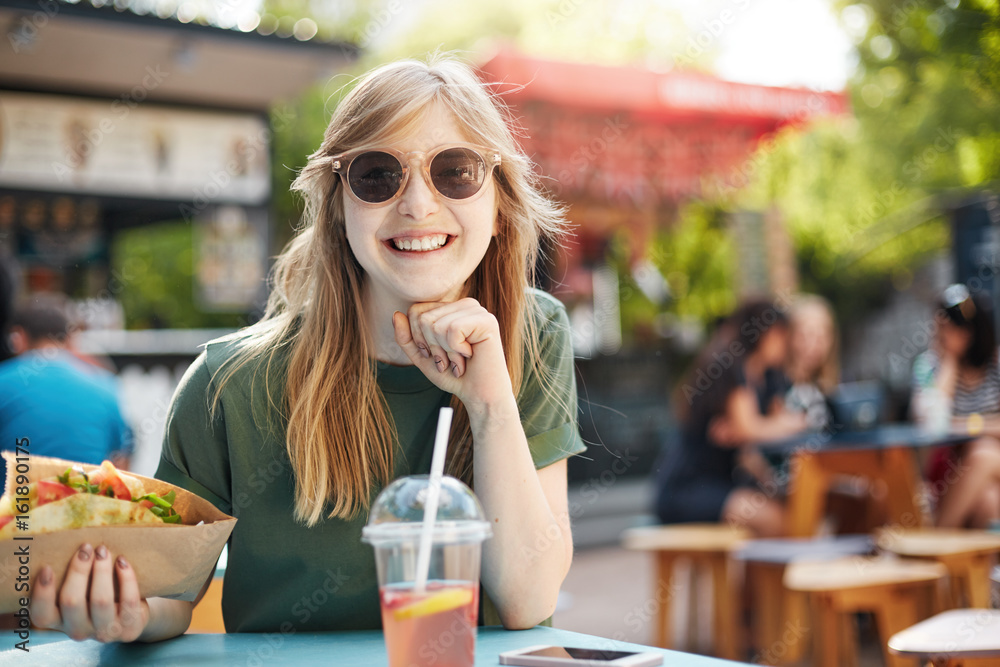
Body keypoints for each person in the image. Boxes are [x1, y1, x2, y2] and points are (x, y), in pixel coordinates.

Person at [30, 56, 587, 642]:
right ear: (336, 207)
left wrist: (491, 403)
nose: (419, 205)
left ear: (497, 204)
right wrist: (125, 609)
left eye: (455, 170)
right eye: (376, 174)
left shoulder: (532, 331)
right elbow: (170, 594)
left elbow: (528, 598)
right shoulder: (228, 382)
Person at [656, 300, 808, 537]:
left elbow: (746, 443)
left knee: (789, 512)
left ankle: (755, 575)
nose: (784, 343)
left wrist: (772, 483)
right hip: (688, 488)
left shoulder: (763, 377)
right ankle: (762, 575)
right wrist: (793, 423)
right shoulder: (730, 366)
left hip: (721, 484)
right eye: (779, 334)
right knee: (774, 519)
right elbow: (748, 429)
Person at [0, 294, 131, 492]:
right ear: (70, 338)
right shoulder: (106, 384)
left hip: (17, 517)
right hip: (89, 516)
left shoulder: (4, 381)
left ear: (18, 338)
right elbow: (122, 461)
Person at [911, 284, 1000, 529]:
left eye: (949, 328)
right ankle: (979, 566)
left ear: (970, 332)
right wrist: (949, 363)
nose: (940, 334)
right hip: (951, 471)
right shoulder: (928, 367)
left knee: (983, 453)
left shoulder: (995, 365)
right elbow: (932, 425)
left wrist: (969, 426)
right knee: (989, 500)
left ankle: (937, 540)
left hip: (989, 461)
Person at [784, 294, 839, 431]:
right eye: (805, 336)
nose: (813, 345)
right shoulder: (773, 385)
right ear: (790, 337)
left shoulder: (832, 389)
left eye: (821, 337)